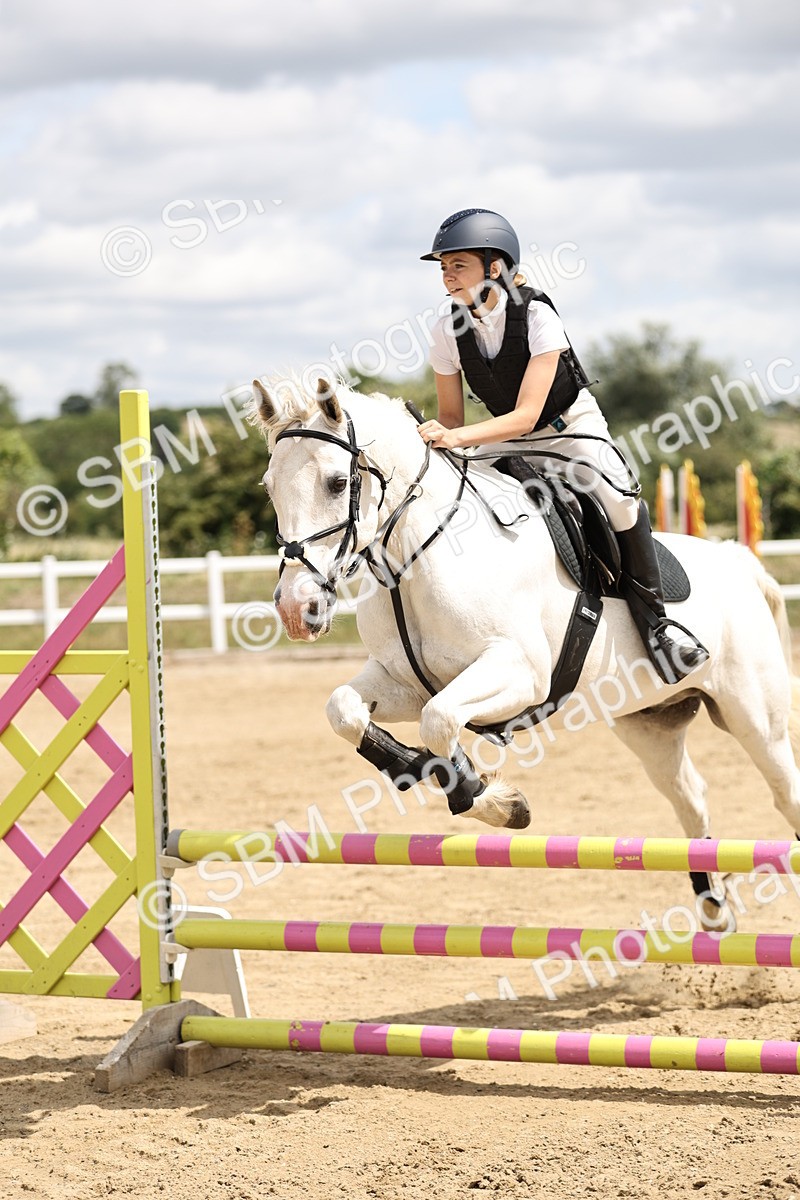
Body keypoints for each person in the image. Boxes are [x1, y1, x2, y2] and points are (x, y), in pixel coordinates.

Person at [418, 207, 709, 685]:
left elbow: (529, 414)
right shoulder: (445, 330)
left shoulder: (536, 314)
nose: (448, 278)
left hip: (567, 427)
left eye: (458, 266)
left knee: (617, 497)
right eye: (444, 268)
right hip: (502, 436)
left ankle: (658, 627)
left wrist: (454, 437)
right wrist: (440, 440)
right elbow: (451, 419)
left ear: (495, 268)